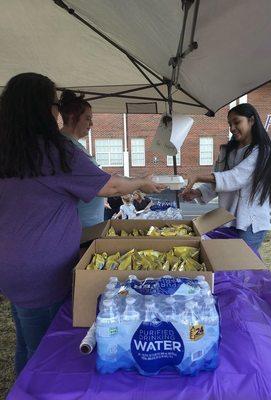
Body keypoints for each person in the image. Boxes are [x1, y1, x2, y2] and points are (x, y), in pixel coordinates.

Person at [0, 72, 165, 375]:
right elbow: (110, 187)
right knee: (45, 352)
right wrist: (143, 181)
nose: (57, 111)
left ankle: (20, 387)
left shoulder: (8, 149)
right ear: (42, 108)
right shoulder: (54, 151)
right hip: (42, 269)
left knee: (24, 339)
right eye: (54, 104)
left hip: (11, 266)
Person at [181, 103, 271, 252]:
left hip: (250, 223)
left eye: (237, 122)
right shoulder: (227, 150)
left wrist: (198, 176)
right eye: (230, 124)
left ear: (251, 120)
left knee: (243, 265)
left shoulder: (262, 151)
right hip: (227, 219)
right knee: (232, 263)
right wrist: (198, 192)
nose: (232, 128)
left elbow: (236, 177)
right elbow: (219, 179)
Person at [59, 90, 104, 228]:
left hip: (88, 227)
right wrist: (138, 183)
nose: (91, 124)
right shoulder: (66, 148)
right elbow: (105, 186)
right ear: (73, 117)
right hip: (80, 231)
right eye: (87, 118)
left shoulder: (72, 145)